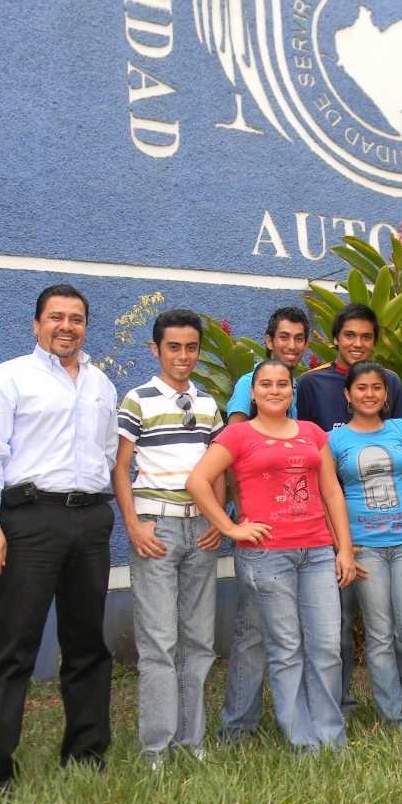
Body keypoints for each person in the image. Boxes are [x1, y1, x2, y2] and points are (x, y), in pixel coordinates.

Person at [0, 284, 119, 794]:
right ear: (36, 325)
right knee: (12, 650)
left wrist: (101, 514)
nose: (66, 326)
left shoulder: (101, 384)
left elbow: (105, 454)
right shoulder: (7, 379)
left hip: (90, 522)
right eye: (56, 317)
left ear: (84, 327)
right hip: (28, 523)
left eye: (76, 319)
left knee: (87, 646)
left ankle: (86, 754)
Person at [187, 360, 357, 751]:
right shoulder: (238, 435)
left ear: (292, 391)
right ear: (253, 391)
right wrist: (230, 528)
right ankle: (303, 741)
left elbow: (331, 492)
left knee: (327, 647)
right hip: (267, 555)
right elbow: (197, 481)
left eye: (283, 384)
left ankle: (331, 738)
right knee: (286, 649)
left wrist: (343, 548)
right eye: (266, 384)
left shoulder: (313, 433)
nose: (275, 390)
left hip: (315, 550)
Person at [112, 309, 225, 766]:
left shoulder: (209, 404)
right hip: (155, 527)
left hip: (200, 528)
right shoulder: (137, 399)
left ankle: (192, 740)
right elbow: (120, 467)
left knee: (199, 639)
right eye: (173, 347)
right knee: (159, 641)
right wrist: (133, 524)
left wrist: (218, 518)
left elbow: (218, 465)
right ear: (156, 349)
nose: (183, 356)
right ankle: (156, 746)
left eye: (191, 347)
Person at [296, 302, 402, 714]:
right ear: (335, 339)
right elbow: (305, 443)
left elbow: (400, 441)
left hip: (385, 520)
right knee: (337, 621)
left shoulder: (389, 381)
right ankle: (337, 702)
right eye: (350, 336)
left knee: (393, 620)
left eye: (366, 337)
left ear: (375, 341)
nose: (358, 344)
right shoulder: (311, 384)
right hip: (328, 518)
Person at [329, 362, 402, 729]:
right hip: (365, 550)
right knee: (379, 636)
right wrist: (341, 545)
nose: (370, 394)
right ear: (348, 394)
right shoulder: (334, 440)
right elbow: (328, 495)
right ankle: (394, 718)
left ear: (386, 393)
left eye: (377, 387)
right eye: (361, 388)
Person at [218, 306, 311, 744]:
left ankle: (279, 718)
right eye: (284, 337)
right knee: (254, 631)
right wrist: (241, 513)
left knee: (280, 632)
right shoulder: (250, 381)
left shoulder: (301, 384)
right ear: (269, 340)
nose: (291, 345)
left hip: (299, 530)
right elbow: (236, 449)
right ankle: (237, 727)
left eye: (298, 339)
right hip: (262, 532)